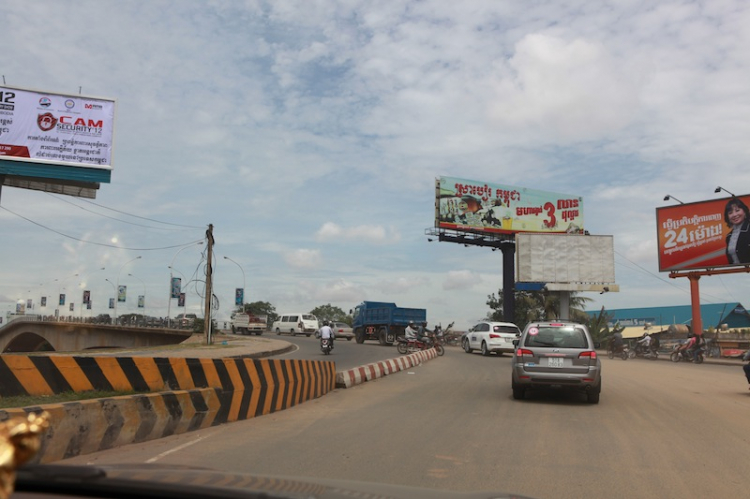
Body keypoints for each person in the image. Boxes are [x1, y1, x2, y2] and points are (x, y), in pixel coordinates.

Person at [724, 197, 750, 264]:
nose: (734, 215)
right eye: (730, 213)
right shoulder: (729, 236)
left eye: (737, 210)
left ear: (744, 212)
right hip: (737, 273)